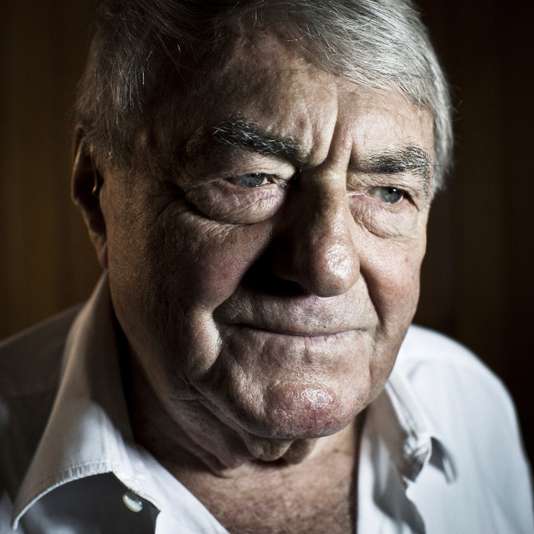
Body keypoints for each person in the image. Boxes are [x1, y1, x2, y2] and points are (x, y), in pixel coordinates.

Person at [1, 0, 532, 532]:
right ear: (95, 189)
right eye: (252, 179)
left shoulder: (468, 403)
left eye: (388, 192)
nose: (328, 267)